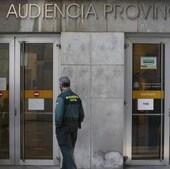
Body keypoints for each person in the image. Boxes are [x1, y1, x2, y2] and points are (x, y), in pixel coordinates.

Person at [55, 76, 85, 169]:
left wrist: (58, 125)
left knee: (67, 152)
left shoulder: (61, 98)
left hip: (64, 128)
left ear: (60, 85)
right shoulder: (76, 97)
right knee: (68, 152)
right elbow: (82, 115)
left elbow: (58, 115)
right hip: (74, 127)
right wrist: (76, 122)